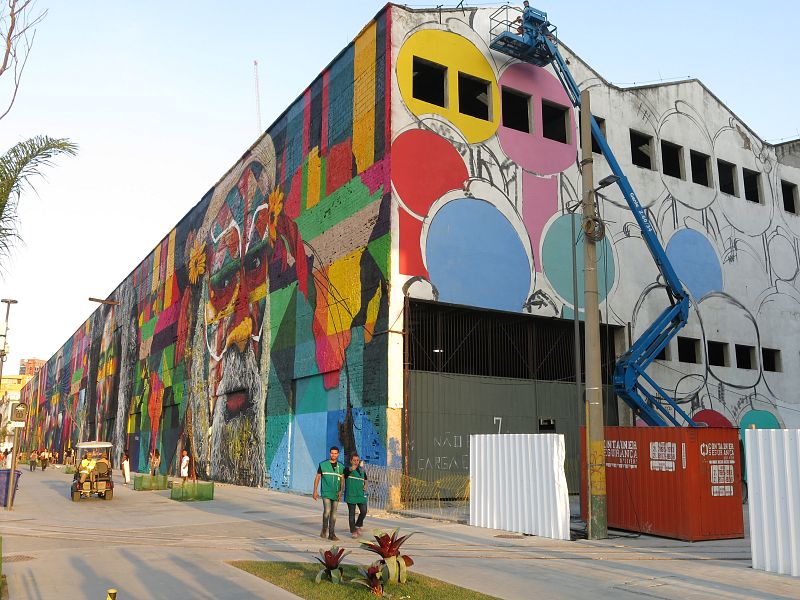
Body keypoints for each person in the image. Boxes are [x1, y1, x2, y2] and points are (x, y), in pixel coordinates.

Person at [312, 446, 344, 541]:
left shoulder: (341, 467)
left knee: (334, 514)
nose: (333, 455)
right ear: (330, 454)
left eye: (335, 453)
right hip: (326, 492)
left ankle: (332, 534)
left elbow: (342, 480)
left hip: (336, 493)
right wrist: (315, 491)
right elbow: (317, 478)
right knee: (327, 511)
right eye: (332, 453)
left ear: (338, 454)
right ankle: (324, 529)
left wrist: (341, 491)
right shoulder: (323, 465)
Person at [344, 453, 368, 538]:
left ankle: (358, 525)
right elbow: (345, 474)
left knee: (364, 511)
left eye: (357, 460)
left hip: (360, 495)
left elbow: (365, 480)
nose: (356, 462)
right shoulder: (347, 469)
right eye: (354, 460)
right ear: (351, 461)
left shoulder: (362, 470)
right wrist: (351, 469)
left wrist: (365, 485)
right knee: (352, 514)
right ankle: (353, 531)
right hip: (351, 495)